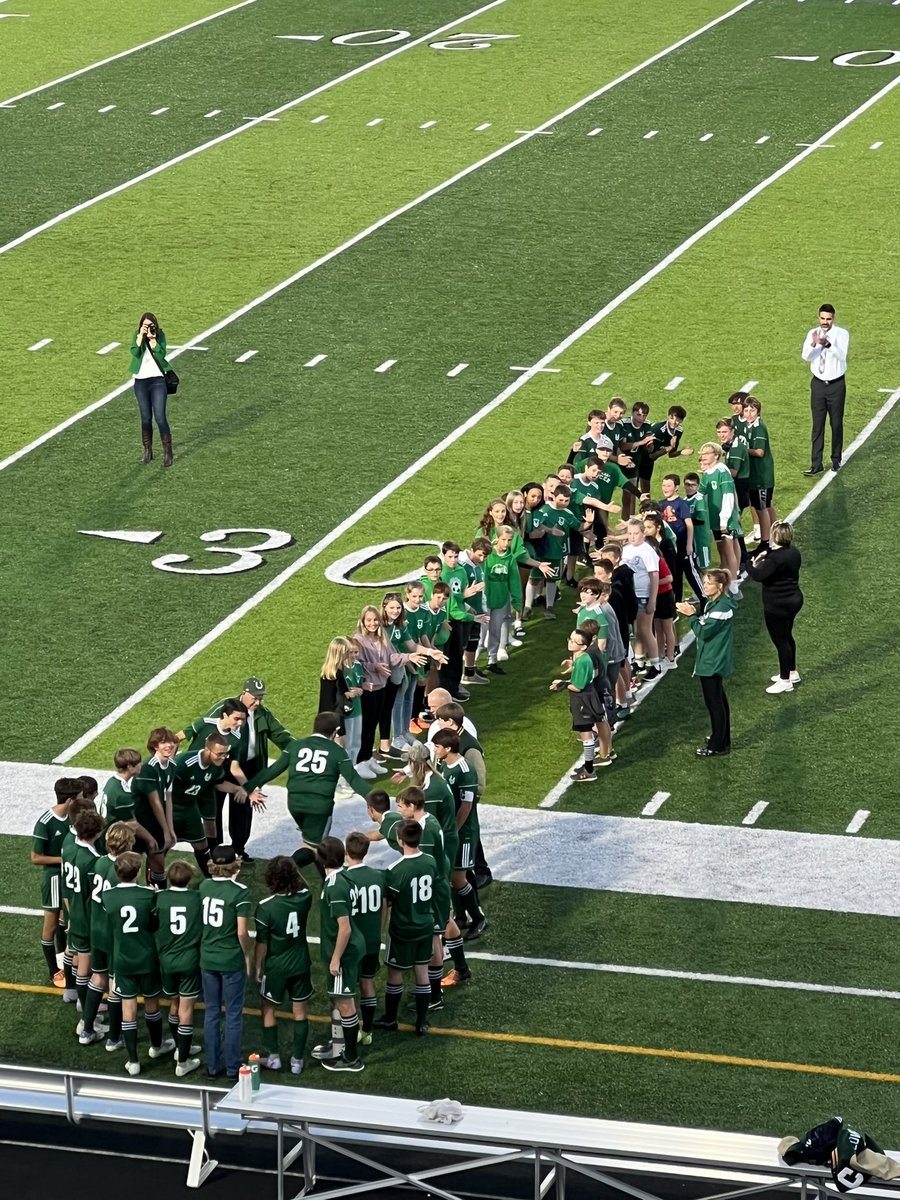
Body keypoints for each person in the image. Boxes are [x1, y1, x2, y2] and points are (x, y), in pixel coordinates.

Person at [246, 711, 372, 873]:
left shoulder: (295, 746)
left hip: (295, 804)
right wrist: (374, 799)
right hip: (319, 808)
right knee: (317, 848)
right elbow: (354, 780)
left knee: (311, 843)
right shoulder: (337, 752)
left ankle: (320, 879)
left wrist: (247, 786)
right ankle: (286, 869)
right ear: (336, 730)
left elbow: (273, 770)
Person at [200, 679, 294, 860]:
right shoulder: (226, 707)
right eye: (254, 698)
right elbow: (206, 729)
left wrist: (303, 748)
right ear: (244, 693)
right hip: (222, 765)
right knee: (214, 808)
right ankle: (215, 850)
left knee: (243, 811)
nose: (257, 702)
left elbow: (281, 735)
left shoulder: (263, 714)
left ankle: (238, 848)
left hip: (249, 767)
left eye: (260, 698)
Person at [102, 850, 170, 1075]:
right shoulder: (148, 894)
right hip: (147, 956)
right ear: (139, 871)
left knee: (128, 1008)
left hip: (122, 958)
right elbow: (155, 924)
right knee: (152, 1003)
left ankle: (133, 1061)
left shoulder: (108, 896)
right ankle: (156, 1046)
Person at [373, 820, 438, 1038]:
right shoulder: (430, 861)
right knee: (422, 973)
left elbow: (388, 902)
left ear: (400, 841)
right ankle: (421, 1022)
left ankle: (390, 1018)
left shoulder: (395, 870)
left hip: (402, 929)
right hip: (425, 926)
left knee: (395, 973)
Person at [255, 855, 313, 1074]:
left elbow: (262, 943)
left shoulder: (265, 907)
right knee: (300, 1010)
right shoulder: (305, 897)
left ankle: (274, 1057)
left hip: (277, 966)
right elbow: (304, 886)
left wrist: (259, 966)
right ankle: (297, 1061)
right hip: (300, 962)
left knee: (268, 1008)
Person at [199, 845, 252, 1081]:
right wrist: (248, 956)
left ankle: (212, 1066)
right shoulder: (239, 892)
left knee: (211, 1012)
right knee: (232, 1014)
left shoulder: (204, 886)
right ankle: (232, 1068)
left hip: (208, 957)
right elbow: (242, 932)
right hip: (230, 959)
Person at [316, 835, 366, 1072]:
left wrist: (336, 958)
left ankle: (351, 1058)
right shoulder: (344, 877)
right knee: (340, 998)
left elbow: (344, 927)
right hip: (350, 946)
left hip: (344, 951)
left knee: (345, 1003)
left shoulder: (335, 886)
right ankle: (341, 1046)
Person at [86, 821, 135, 1052]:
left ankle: (87, 1029)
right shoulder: (122, 871)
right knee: (115, 986)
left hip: (95, 928)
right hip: (113, 935)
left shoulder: (99, 862)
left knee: (97, 977)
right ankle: (114, 1038)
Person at [171, 734, 251, 873]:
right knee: (162, 845)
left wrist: (238, 788)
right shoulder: (184, 763)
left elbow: (218, 783)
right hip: (171, 808)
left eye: (225, 754)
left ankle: (211, 878)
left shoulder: (215, 765)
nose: (223, 757)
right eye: (220, 754)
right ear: (207, 750)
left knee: (202, 844)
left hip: (190, 808)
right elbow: (163, 785)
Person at [676, 570, 736, 757]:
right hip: (714, 657)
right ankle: (722, 737)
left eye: (708, 583)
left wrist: (691, 615)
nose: (705, 586)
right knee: (718, 699)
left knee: (714, 703)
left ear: (719, 586)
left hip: (713, 660)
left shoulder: (721, 608)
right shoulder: (716, 603)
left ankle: (718, 744)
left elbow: (703, 631)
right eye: (704, 582)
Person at [153, 859, 203, 1076]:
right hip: (189, 959)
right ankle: (183, 1061)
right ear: (189, 878)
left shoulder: (159, 898)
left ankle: (179, 1044)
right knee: (186, 1010)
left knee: (174, 1005)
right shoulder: (197, 899)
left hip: (166, 959)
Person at [32, 777, 81, 989]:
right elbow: (35, 857)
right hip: (53, 877)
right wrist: (64, 859)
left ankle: (63, 960)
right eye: (78, 797)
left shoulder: (73, 817)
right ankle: (53, 970)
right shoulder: (45, 822)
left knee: (65, 918)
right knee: (51, 925)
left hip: (68, 874)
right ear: (70, 800)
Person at [746, 520, 803, 693]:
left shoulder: (774, 558)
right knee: (787, 636)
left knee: (781, 641)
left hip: (777, 604)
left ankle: (785, 680)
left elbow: (758, 575)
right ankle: (791, 672)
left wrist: (749, 563)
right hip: (794, 599)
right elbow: (775, 554)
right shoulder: (793, 552)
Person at [61, 808, 103, 1039]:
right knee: (87, 971)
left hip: (74, 915)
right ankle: (87, 1022)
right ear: (96, 832)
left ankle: (87, 1014)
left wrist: (70, 916)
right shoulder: (92, 861)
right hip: (88, 922)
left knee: (80, 965)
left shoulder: (69, 848)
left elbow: (67, 890)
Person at [343, 832, 386, 1046]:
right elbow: (385, 907)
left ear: (346, 851)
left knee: (346, 988)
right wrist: (380, 929)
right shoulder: (378, 876)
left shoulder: (343, 879)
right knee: (367, 982)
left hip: (351, 942)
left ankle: (346, 1035)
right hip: (371, 939)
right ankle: (367, 1031)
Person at [550, 628, 607, 782]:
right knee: (586, 734)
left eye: (574, 641)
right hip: (586, 697)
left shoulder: (582, 660)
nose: (570, 642)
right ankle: (589, 766)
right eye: (570, 639)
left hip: (583, 700)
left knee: (586, 735)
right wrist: (573, 665)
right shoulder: (582, 658)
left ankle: (589, 770)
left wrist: (561, 684)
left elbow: (577, 686)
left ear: (583, 646)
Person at [802, 303, 849, 475]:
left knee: (836, 423)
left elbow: (842, 356)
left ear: (833, 319)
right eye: (822, 318)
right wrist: (815, 344)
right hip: (818, 384)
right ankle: (816, 463)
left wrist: (827, 344)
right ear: (818, 317)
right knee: (817, 425)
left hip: (836, 384)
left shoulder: (841, 334)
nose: (825, 322)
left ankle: (836, 459)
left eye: (828, 319)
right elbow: (806, 356)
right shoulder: (812, 333)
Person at [130, 311, 174, 467]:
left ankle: (168, 451)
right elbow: (134, 353)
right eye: (145, 325)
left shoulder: (160, 335)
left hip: (158, 381)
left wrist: (153, 340)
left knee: (160, 417)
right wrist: (141, 337)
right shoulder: (137, 335)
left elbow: (162, 356)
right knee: (145, 417)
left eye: (150, 325)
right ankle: (147, 450)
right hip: (141, 381)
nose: (148, 328)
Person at [621, 518, 661, 679]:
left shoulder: (647, 551)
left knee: (645, 630)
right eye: (629, 533)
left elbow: (654, 575)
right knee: (637, 631)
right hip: (630, 594)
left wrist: (652, 599)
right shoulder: (626, 549)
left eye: (635, 533)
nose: (632, 537)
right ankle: (639, 661)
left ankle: (656, 664)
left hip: (644, 594)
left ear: (643, 533)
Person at [319, 637, 365, 769]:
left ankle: (348, 777)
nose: (349, 655)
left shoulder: (338, 672)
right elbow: (329, 704)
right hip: (336, 719)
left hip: (339, 717)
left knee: (347, 747)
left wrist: (349, 693)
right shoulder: (331, 675)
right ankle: (341, 781)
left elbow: (340, 695)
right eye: (346, 652)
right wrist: (337, 729)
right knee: (341, 751)